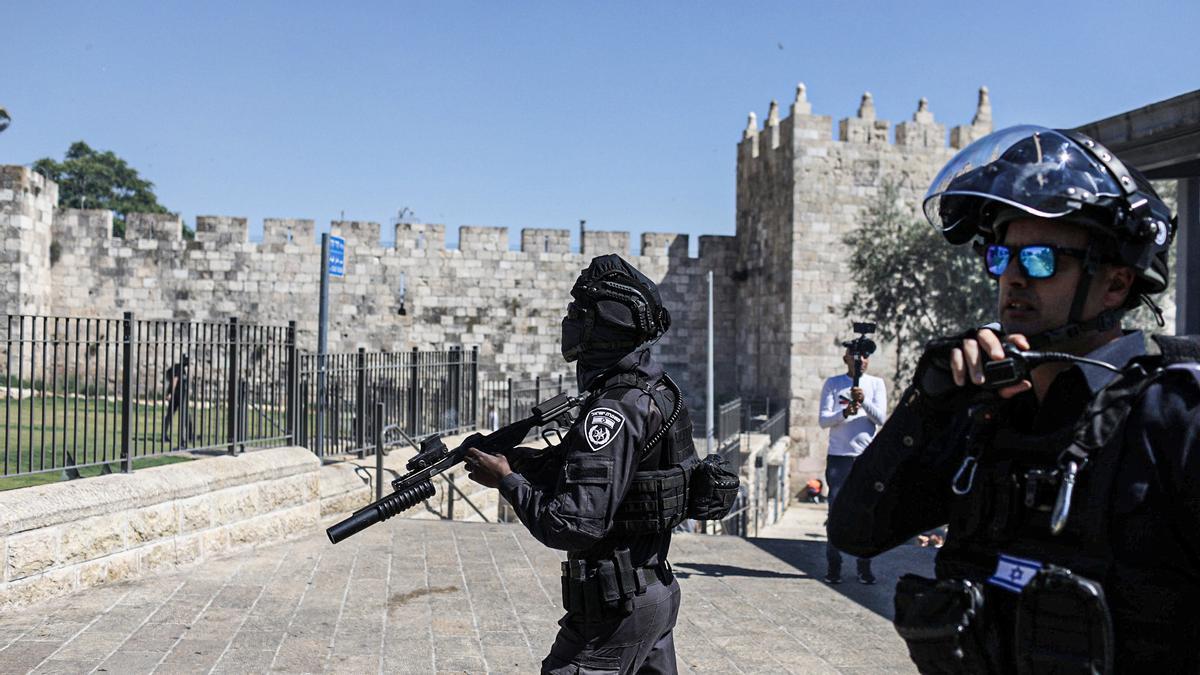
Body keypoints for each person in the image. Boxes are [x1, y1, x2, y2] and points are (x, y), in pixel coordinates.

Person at [828, 125, 1199, 673]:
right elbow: (857, 533)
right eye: (1002, 257)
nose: (1015, 279)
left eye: (1043, 259)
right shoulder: (988, 413)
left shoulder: (1174, 416)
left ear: (1116, 284)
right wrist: (926, 404)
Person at [465, 254, 695, 674]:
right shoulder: (656, 392)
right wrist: (512, 459)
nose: (567, 322)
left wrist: (507, 481)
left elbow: (572, 525)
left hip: (613, 613)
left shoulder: (612, 410)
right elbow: (610, 479)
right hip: (653, 592)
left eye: (577, 313)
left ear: (601, 327)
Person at [818, 343, 886, 584]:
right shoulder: (833, 384)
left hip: (866, 457)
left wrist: (864, 401)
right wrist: (844, 414)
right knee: (835, 509)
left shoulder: (876, 384)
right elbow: (823, 421)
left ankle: (864, 567)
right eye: (856, 356)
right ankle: (833, 566)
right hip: (839, 457)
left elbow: (880, 418)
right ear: (846, 358)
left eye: (865, 356)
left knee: (866, 512)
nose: (860, 360)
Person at [161, 354, 193, 445]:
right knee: (183, 416)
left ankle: (188, 436)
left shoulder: (182, 369)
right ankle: (184, 438)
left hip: (180, 395)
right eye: (186, 360)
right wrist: (170, 393)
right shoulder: (179, 368)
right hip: (178, 396)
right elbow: (174, 381)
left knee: (174, 415)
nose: (188, 362)